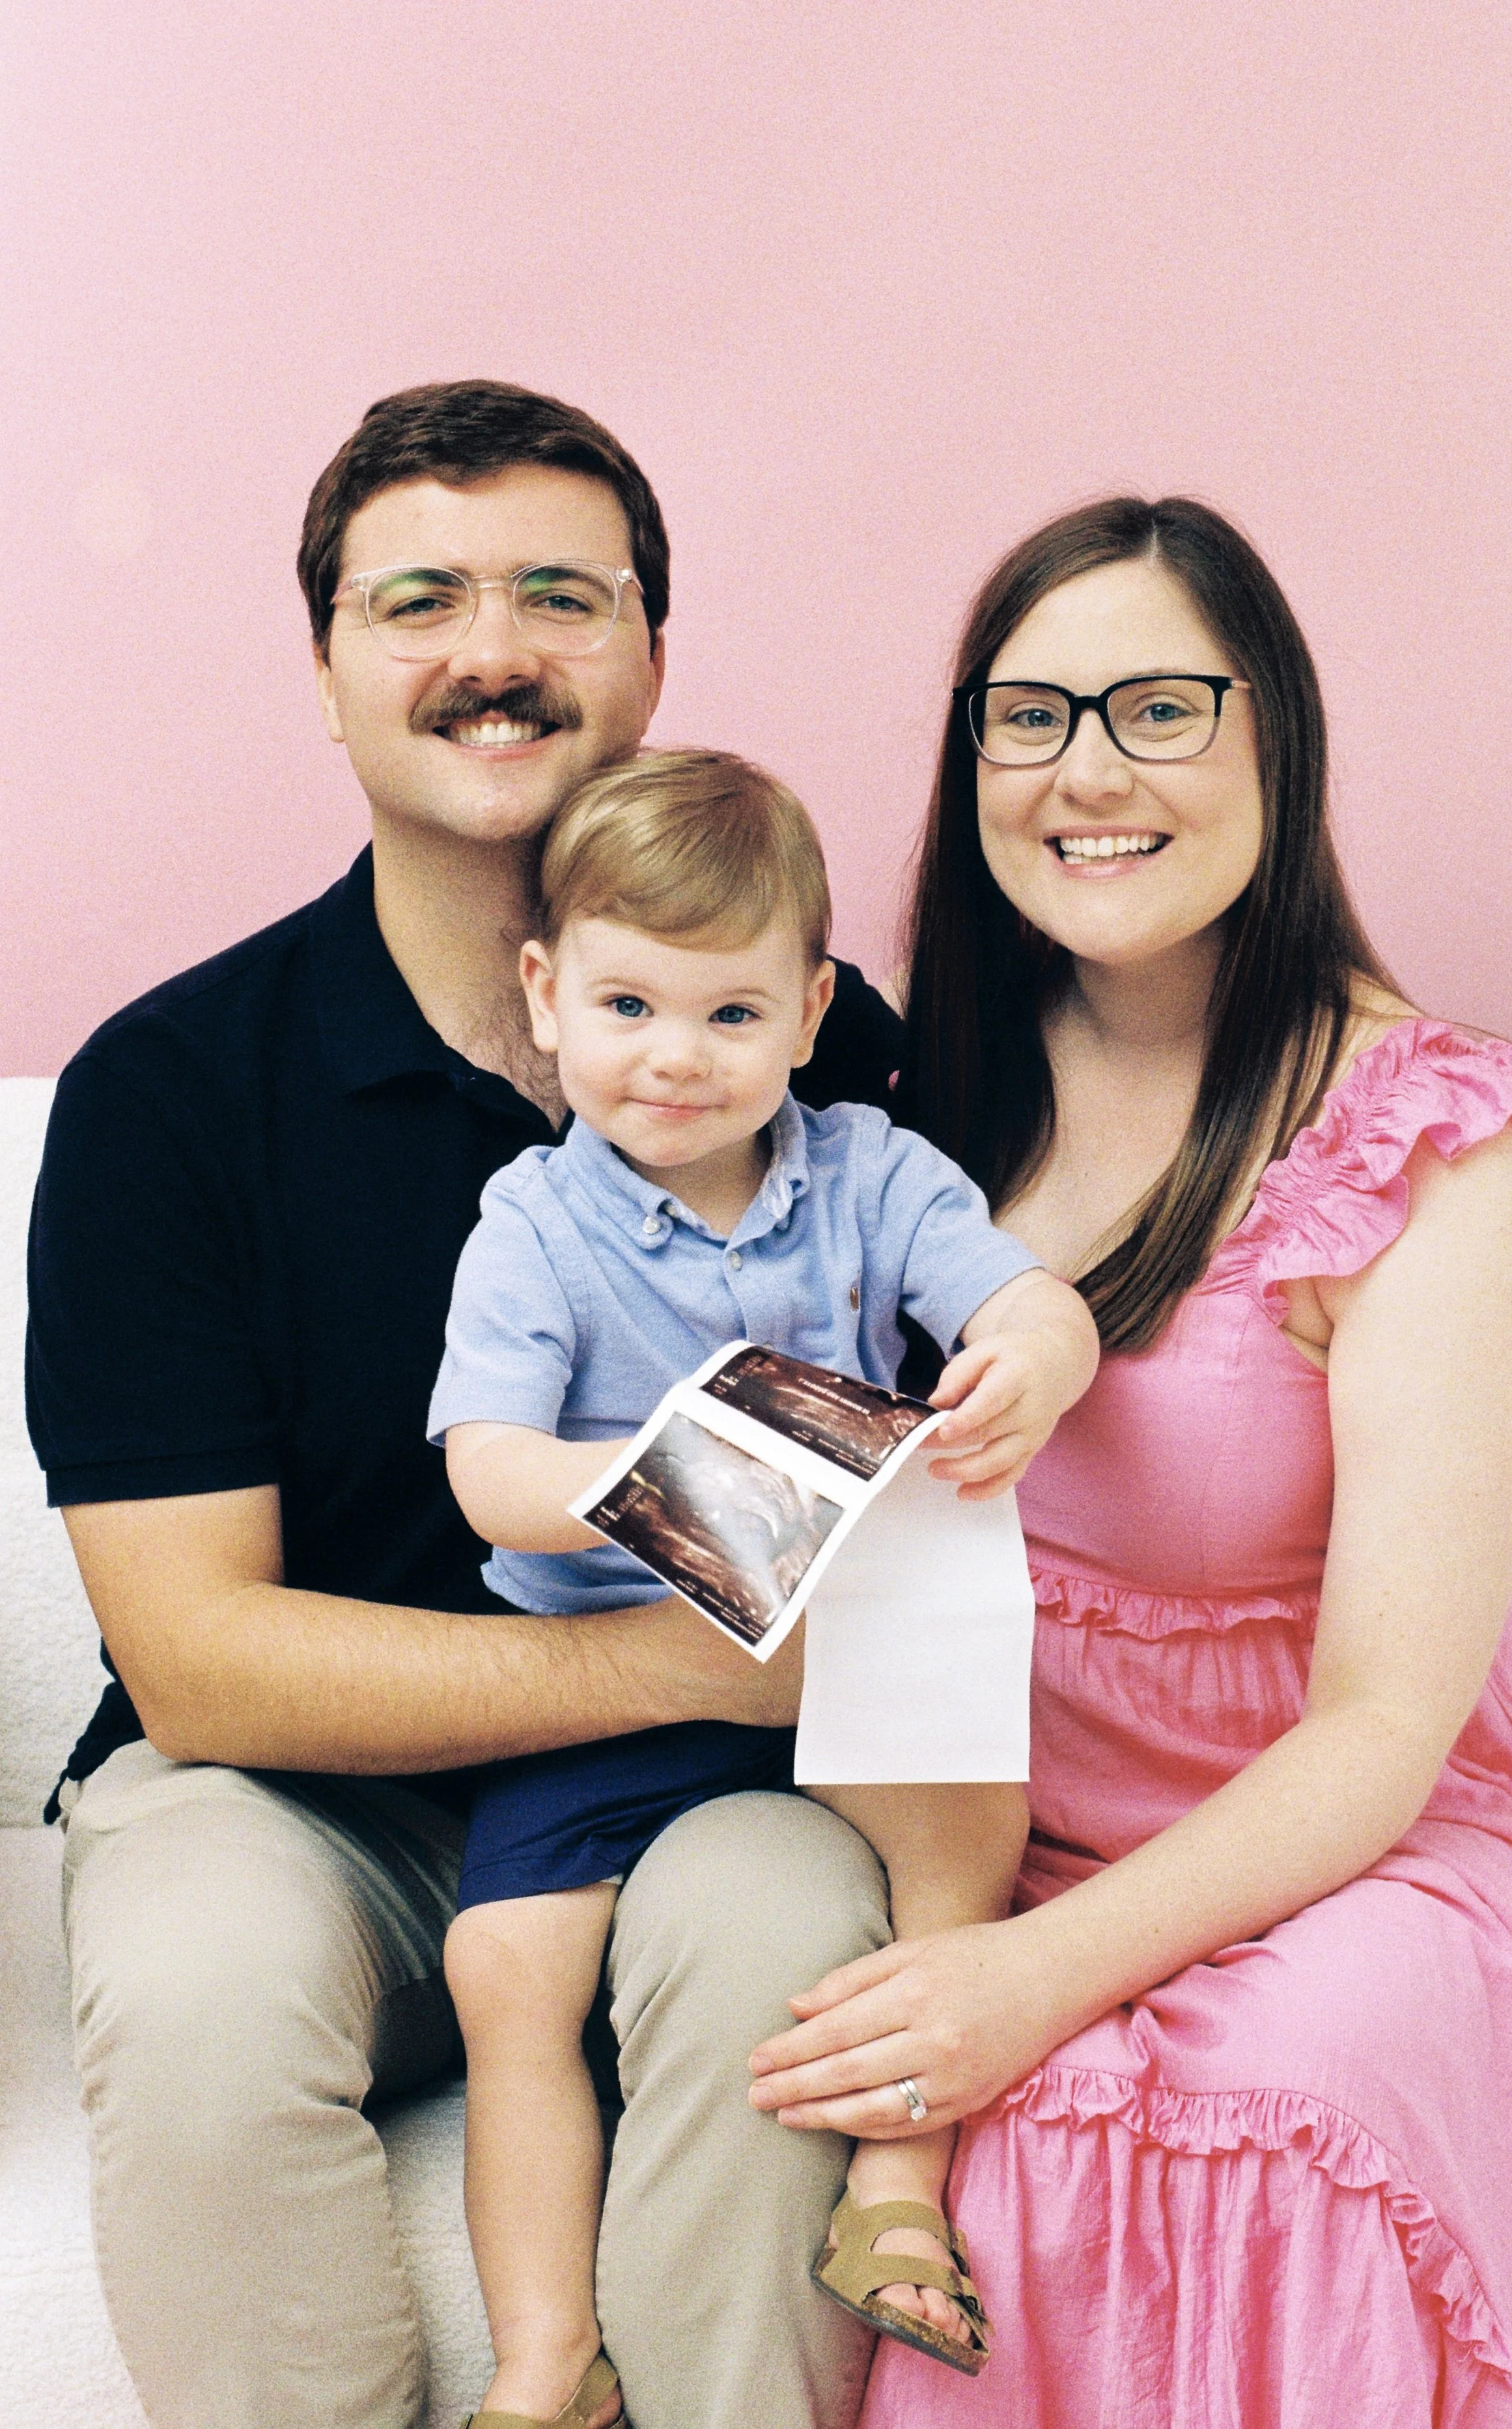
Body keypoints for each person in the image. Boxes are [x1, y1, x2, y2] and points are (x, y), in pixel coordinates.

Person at [24, 381, 905, 2429]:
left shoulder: (829, 1052)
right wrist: (702, 1675)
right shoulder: (171, 1093)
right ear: (327, 665)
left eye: (559, 597)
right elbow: (206, 1668)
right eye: (415, 598)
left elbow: (845, 1468)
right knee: (193, 1977)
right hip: (294, 1815)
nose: (492, 652)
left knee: (789, 1919)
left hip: (687, 1820)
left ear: (652, 659)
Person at [745, 495, 1512, 2425]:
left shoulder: (1423, 1142)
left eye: (1158, 708)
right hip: (991, 1828)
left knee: (1267, 2099)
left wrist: (1031, 1983)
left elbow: (1382, 1730)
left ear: (1272, 742)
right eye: (1029, 715)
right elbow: (746, 1491)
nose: (1087, 773)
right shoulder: (895, 1115)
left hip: (1356, 1853)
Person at [430, 747, 1100, 2426]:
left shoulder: (870, 1175)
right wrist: (644, 1494)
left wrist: (1028, 1359)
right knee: (508, 1979)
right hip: (607, 1671)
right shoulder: (536, 1219)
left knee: (970, 1827)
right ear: (548, 996)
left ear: (809, 1015)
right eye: (629, 1006)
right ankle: (543, 2366)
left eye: (731, 1017)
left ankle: (894, 2191)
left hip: (829, 1666)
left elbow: (1029, 1296)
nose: (674, 1059)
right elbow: (484, 1463)